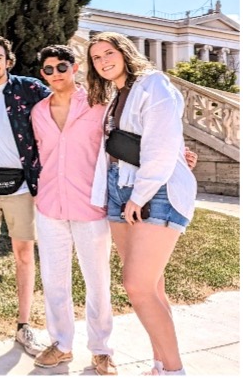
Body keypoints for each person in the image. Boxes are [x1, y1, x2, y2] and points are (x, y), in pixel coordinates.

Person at [87, 32, 197, 376]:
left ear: (124, 51)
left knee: (136, 284)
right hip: (119, 189)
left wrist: (140, 195)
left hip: (155, 192)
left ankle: (175, 370)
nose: (103, 61)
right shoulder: (114, 96)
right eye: (96, 58)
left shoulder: (154, 84)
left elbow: (160, 144)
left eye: (108, 53)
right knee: (151, 286)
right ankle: (160, 363)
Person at [30, 45, 117, 375]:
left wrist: (179, 154)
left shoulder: (98, 104)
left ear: (75, 67)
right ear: (43, 74)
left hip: (90, 205)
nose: (55, 74)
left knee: (97, 281)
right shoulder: (38, 112)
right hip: (50, 204)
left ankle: (102, 349)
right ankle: (62, 344)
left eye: (61, 67)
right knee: (54, 280)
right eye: (48, 69)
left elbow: (127, 138)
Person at [0, 36, 48, 356]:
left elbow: (67, 101)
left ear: (8, 60)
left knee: (24, 254)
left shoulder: (29, 88)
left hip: (22, 186)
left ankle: (24, 325)